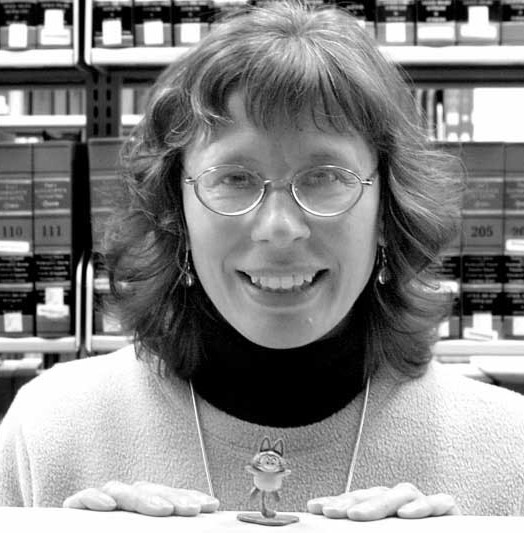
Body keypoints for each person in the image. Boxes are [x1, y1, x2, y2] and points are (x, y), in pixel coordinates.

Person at [1, 0, 524, 521]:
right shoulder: (50, 433)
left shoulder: (508, 452)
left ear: (388, 210)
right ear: (175, 214)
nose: (279, 227)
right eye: (234, 178)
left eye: (326, 177)